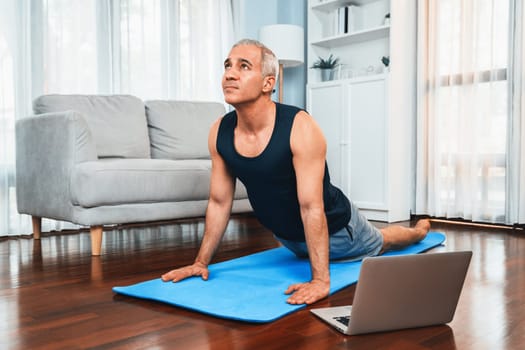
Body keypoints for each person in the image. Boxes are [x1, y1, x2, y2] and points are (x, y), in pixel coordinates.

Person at [161, 39, 430, 305]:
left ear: (268, 83)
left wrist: (321, 281)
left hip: (339, 233)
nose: (229, 74)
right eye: (227, 65)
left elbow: (312, 207)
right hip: (289, 240)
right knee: (377, 239)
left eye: (244, 66)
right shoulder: (219, 131)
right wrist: (200, 262)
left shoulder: (300, 127)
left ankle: (418, 232)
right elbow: (220, 202)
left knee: (380, 242)